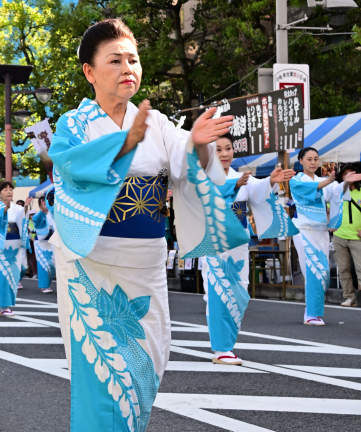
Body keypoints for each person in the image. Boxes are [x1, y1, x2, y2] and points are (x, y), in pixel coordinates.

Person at [48, 19, 246, 431]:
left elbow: (188, 167)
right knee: (101, 373)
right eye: (115, 60)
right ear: (90, 71)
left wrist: (199, 142)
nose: (128, 68)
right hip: (92, 262)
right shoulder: (74, 124)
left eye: (133, 60)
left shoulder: (157, 124)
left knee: (146, 365)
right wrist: (125, 142)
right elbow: (69, 166)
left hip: (148, 260)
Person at [202, 133, 297, 365]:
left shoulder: (241, 177)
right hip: (215, 242)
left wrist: (271, 180)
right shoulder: (203, 177)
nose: (224, 154)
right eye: (219, 149)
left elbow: (258, 189)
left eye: (228, 149)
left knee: (239, 292)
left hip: (239, 243)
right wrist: (234, 185)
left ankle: (228, 346)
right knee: (218, 292)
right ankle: (221, 348)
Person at [290, 148, 361, 325]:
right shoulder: (296, 180)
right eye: (309, 159)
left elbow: (336, 195)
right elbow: (307, 189)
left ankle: (311, 309)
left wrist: (344, 183)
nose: (313, 162)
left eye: (316, 159)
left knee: (323, 273)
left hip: (320, 230)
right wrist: (331, 180)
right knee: (313, 270)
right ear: (301, 161)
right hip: (303, 230)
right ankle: (311, 314)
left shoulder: (324, 181)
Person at [0, 182, 32, 316]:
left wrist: (25, 208)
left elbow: (22, 220)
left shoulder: (17, 208)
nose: (9, 191)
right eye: (5, 189)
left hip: (15, 246)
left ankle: (6, 305)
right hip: (2, 247)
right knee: (3, 275)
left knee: (13, 276)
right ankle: (4, 307)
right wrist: (4, 209)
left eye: (10, 189)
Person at [332, 163, 361, 307]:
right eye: (345, 174)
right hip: (340, 236)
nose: (348, 177)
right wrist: (332, 226)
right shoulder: (337, 193)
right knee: (343, 268)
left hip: (357, 236)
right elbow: (329, 210)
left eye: (351, 174)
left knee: (360, 268)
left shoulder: (360, 192)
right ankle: (350, 297)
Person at [33, 194, 56, 293]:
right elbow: (35, 220)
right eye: (42, 203)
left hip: (51, 243)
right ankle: (44, 286)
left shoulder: (53, 214)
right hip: (41, 243)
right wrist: (42, 211)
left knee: (53, 265)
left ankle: (48, 284)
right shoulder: (39, 215)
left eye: (46, 203)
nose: (45, 205)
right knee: (44, 264)